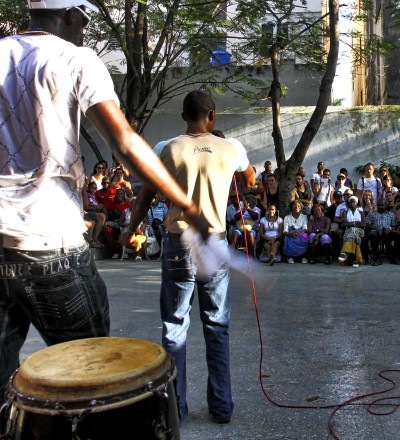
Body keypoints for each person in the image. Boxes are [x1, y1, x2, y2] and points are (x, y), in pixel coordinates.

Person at [0, 0, 210, 407]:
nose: (85, 29)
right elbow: (125, 142)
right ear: (73, 14)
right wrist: (183, 199)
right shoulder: (76, 58)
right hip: (48, 241)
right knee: (94, 379)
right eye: (85, 20)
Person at [125, 90, 254, 423]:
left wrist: (129, 231)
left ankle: (176, 409)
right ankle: (222, 407)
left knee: (174, 327)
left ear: (184, 116)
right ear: (212, 116)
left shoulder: (166, 149)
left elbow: (144, 198)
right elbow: (250, 179)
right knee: (217, 325)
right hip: (215, 241)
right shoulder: (233, 148)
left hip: (177, 243)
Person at [338, 196, 365, 267]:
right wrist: (355, 223)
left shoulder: (361, 212)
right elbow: (344, 224)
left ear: (357, 203)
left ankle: (345, 253)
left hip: (360, 230)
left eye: (354, 202)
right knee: (354, 236)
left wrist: (352, 225)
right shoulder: (345, 212)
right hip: (348, 230)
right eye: (351, 202)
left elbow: (363, 224)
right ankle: (356, 260)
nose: (352, 203)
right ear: (348, 204)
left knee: (353, 232)